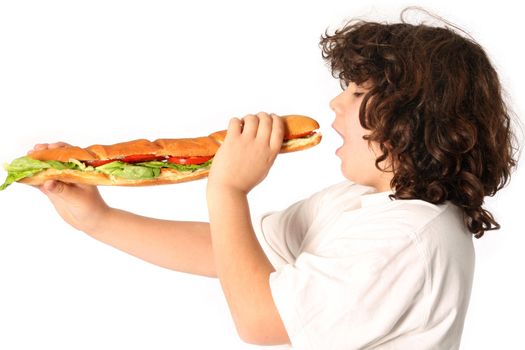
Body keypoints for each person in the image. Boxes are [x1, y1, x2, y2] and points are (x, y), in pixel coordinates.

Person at [29, 8, 518, 350]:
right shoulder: (361, 202)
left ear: (409, 116)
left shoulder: (408, 235)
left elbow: (261, 319)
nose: (335, 104)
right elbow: (232, 253)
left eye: (355, 91)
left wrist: (227, 189)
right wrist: (98, 219)